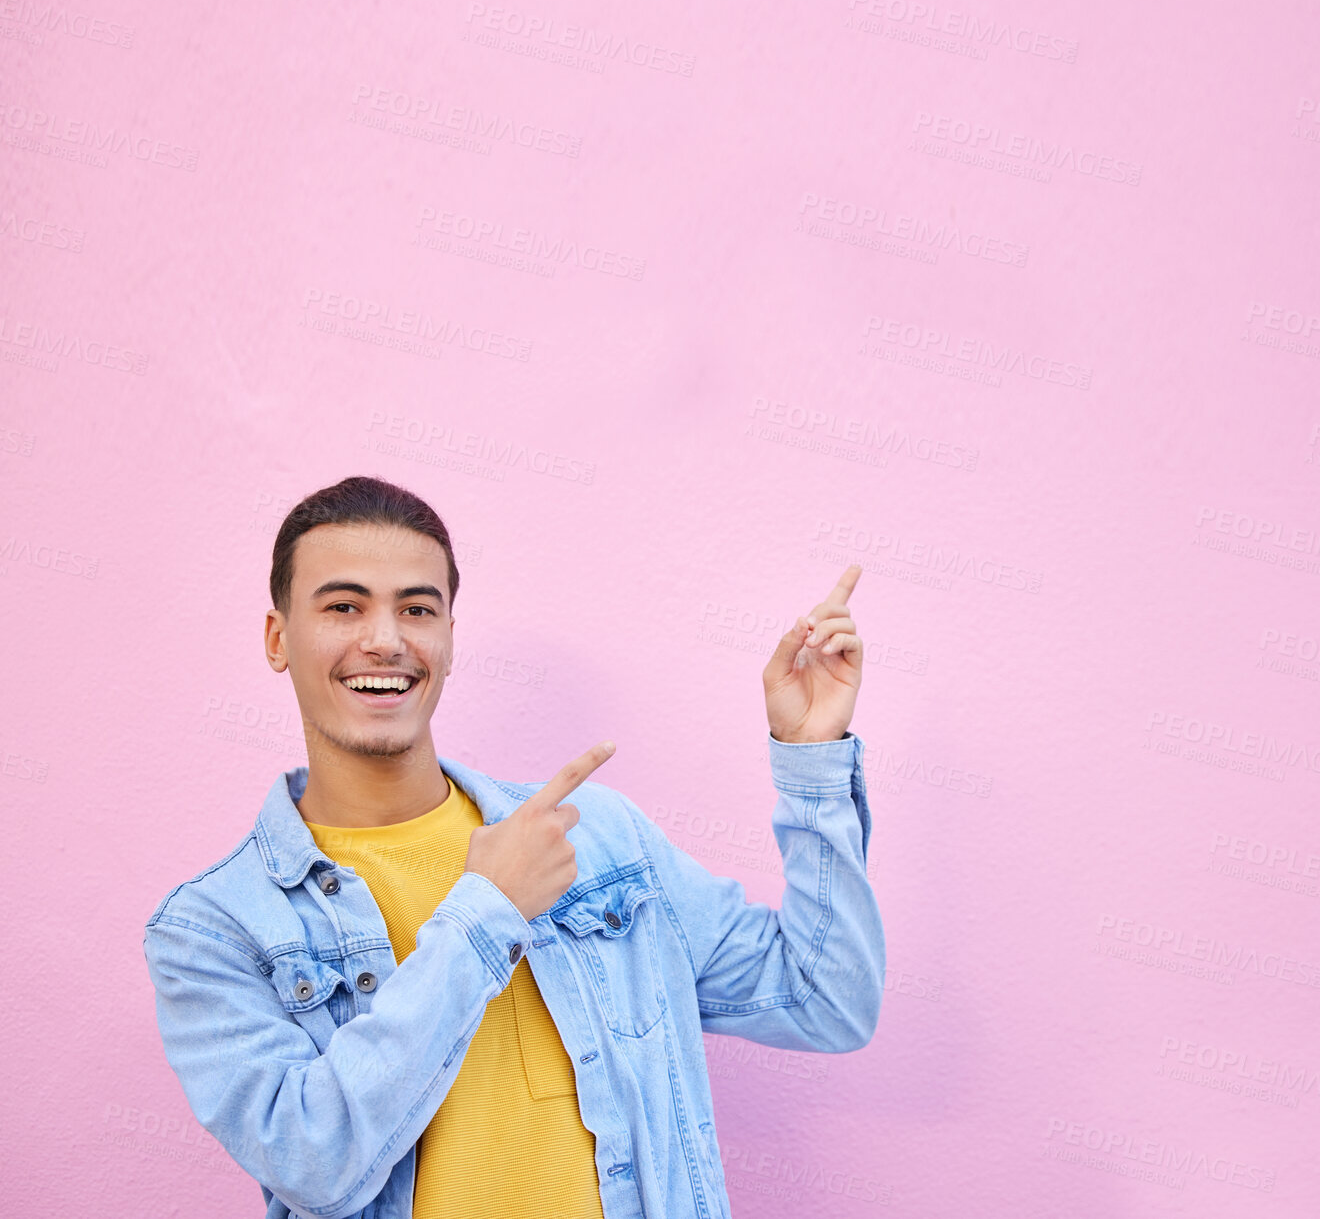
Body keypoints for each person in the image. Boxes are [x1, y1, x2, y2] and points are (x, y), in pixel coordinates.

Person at [142, 475, 885, 1219]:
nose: (385, 639)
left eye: (417, 609)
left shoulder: (595, 839)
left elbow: (827, 1002)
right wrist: (485, 912)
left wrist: (811, 762)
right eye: (343, 606)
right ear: (279, 639)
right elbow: (315, 1165)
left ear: (449, 639)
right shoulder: (213, 929)